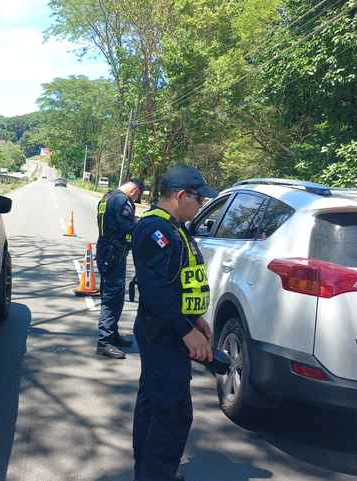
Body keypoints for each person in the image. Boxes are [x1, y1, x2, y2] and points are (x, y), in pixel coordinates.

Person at [130, 165, 219, 481]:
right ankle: (155, 476)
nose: (200, 205)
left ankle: (149, 473)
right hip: (165, 333)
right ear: (182, 195)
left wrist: (196, 320)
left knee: (155, 405)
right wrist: (186, 332)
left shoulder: (173, 226)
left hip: (172, 329)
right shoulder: (156, 229)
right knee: (174, 415)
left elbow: (177, 281)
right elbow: (154, 289)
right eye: (198, 199)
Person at [95, 177, 145, 359]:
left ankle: (112, 334)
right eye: (136, 199)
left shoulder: (107, 197)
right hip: (113, 255)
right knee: (113, 297)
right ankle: (104, 342)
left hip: (105, 251)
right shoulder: (123, 200)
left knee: (110, 293)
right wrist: (142, 223)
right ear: (135, 191)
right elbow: (128, 227)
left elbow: (113, 222)